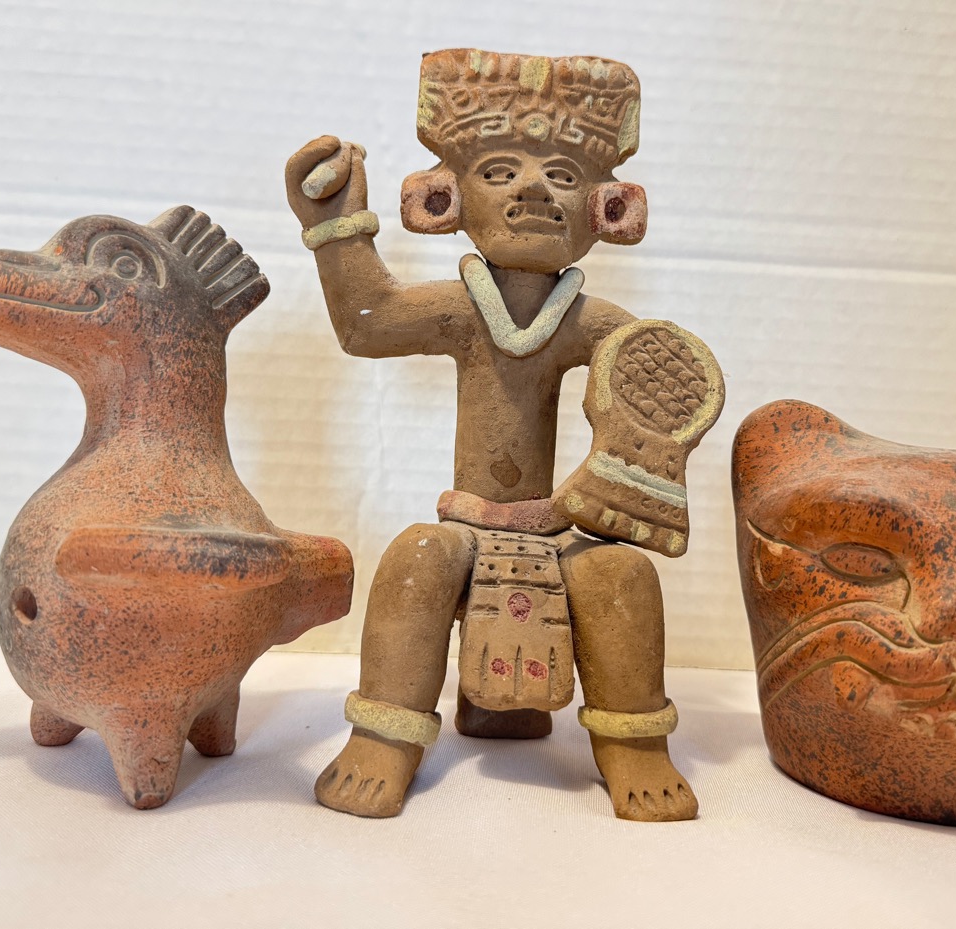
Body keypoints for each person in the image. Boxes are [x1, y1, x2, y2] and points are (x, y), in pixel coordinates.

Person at [285, 49, 721, 821]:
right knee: (418, 557)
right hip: (467, 522)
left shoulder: (597, 326)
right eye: (500, 173)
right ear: (440, 200)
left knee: (621, 577)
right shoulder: (460, 310)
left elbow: (653, 393)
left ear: (610, 210)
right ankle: (383, 734)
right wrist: (335, 226)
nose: (532, 190)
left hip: (558, 524)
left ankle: (635, 746)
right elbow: (367, 323)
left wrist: (609, 487)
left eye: (562, 175)